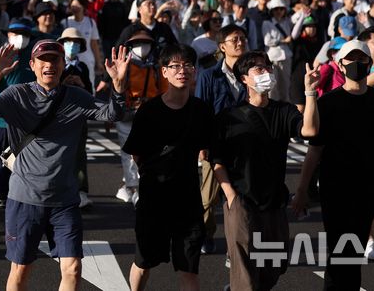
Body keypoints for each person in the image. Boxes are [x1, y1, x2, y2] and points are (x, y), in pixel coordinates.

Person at [0, 40, 131, 291]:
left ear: (63, 65)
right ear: (32, 65)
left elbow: (113, 114)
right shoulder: (18, 94)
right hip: (25, 198)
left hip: (65, 200)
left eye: (55, 59)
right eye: (43, 60)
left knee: (73, 268)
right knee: (21, 269)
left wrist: (119, 86)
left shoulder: (76, 97)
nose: (49, 65)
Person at [292, 40, 374, 290]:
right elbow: (314, 149)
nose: (357, 64)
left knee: (355, 249)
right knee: (341, 250)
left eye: (362, 59)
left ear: (369, 62)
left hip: (367, 187)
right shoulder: (328, 103)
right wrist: (301, 190)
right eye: (350, 60)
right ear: (340, 65)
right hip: (334, 186)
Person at [211, 51, 319, 291]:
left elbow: (310, 131)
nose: (266, 73)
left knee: (273, 266)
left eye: (267, 68)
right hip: (242, 201)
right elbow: (217, 161)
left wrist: (310, 92)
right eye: (258, 70)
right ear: (243, 79)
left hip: (274, 201)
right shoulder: (229, 117)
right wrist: (231, 197)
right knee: (246, 271)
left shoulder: (284, 110)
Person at [124, 44, 215, 291]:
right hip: (154, 198)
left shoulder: (202, 111)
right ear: (163, 72)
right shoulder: (149, 111)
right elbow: (136, 153)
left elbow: (209, 150)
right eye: (174, 66)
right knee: (144, 263)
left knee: (189, 268)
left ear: (194, 71)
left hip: (188, 200)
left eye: (187, 65)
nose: (182, 70)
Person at [195, 24, 248, 254]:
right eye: (234, 39)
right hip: (215, 143)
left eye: (242, 38)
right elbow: (201, 109)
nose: (240, 42)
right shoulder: (209, 75)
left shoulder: (251, 74)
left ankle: (238, 239)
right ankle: (206, 234)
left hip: (245, 143)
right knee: (208, 197)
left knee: (243, 195)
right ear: (222, 46)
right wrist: (201, 144)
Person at [0, 18, 38, 207]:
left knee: (27, 162)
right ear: (8, 35)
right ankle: (3, 194)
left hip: (27, 120)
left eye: (25, 34)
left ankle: (22, 196)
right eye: (16, 34)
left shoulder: (34, 56)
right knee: (2, 162)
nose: (21, 38)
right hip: (1, 121)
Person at [114, 30, 169, 205]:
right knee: (128, 152)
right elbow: (116, 88)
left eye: (145, 44)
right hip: (128, 112)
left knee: (150, 151)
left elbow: (163, 89)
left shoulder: (156, 65)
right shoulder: (126, 64)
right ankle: (132, 186)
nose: (142, 47)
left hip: (150, 113)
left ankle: (143, 186)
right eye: (137, 44)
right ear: (130, 46)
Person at [57, 27, 94, 208]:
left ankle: (81, 190)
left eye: (76, 43)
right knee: (58, 154)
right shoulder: (56, 64)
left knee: (79, 154)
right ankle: (58, 189)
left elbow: (90, 95)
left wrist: (80, 85)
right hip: (58, 117)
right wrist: (63, 84)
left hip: (79, 117)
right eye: (68, 42)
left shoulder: (83, 68)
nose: (72, 45)